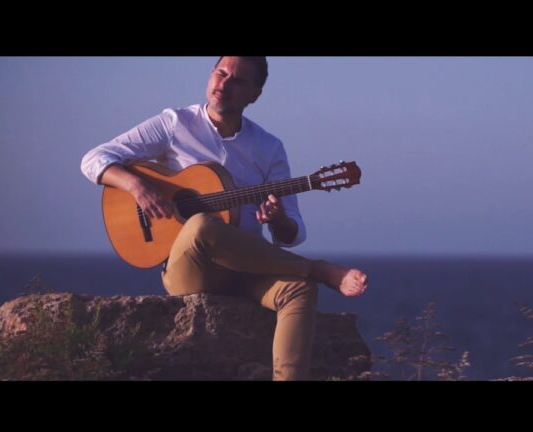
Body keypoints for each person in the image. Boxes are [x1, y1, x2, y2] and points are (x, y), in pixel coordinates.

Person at [80, 56, 369, 380]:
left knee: (300, 291)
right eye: (220, 73)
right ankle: (318, 269)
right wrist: (138, 187)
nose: (224, 84)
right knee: (202, 224)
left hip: (247, 268)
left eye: (238, 81)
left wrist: (276, 220)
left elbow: (292, 231)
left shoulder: (269, 147)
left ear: (255, 95)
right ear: (210, 75)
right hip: (191, 270)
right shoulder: (176, 123)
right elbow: (94, 159)